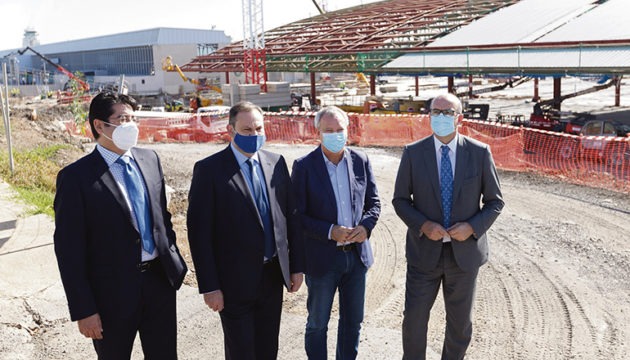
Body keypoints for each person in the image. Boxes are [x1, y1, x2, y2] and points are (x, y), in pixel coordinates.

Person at [53, 91, 188, 359]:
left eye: (133, 118)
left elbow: (162, 218)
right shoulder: (76, 178)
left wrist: (174, 262)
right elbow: (69, 250)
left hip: (158, 283)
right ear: (99, 125)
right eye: (122, 118)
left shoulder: (149, 160)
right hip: (110, 294)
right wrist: (84, 309)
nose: (130, 125)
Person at [187, 101, 304, 360]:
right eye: (247, 130)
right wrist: (209, 286)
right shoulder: (209, 170)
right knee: (241, 352)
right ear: (231, 129)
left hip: (272, 276)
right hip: (233, 282)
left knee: (267, 349)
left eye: (258, 128)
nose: (254, 134)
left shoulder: (276, 163)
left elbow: (289, 219)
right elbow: (199, 233)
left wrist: (295, 267)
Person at [392, 93, 504, 360]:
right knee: (414, 321)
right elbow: (399, 200)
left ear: (459, 118)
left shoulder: (478, 153)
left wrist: (472, 227)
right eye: (436, 112)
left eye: (447, 112)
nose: (441, 117)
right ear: (428, 115)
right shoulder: (413, 153)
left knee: (459, 325)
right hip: (424, 255)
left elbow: (494, 202)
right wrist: (423, 225)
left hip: (464, 257)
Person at [291, 106, 381, 360]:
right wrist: (330, 231)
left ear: (348, 130)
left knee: (353, 322)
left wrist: (366, 226)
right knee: (318, 324)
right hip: (322, 259)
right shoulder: (304, 166)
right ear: (317, 132)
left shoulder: (360, 160)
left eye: (339, 129)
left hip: (356, 258)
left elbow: (374, 203)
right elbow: (296, 215)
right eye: (328, 130)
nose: (335, 134)